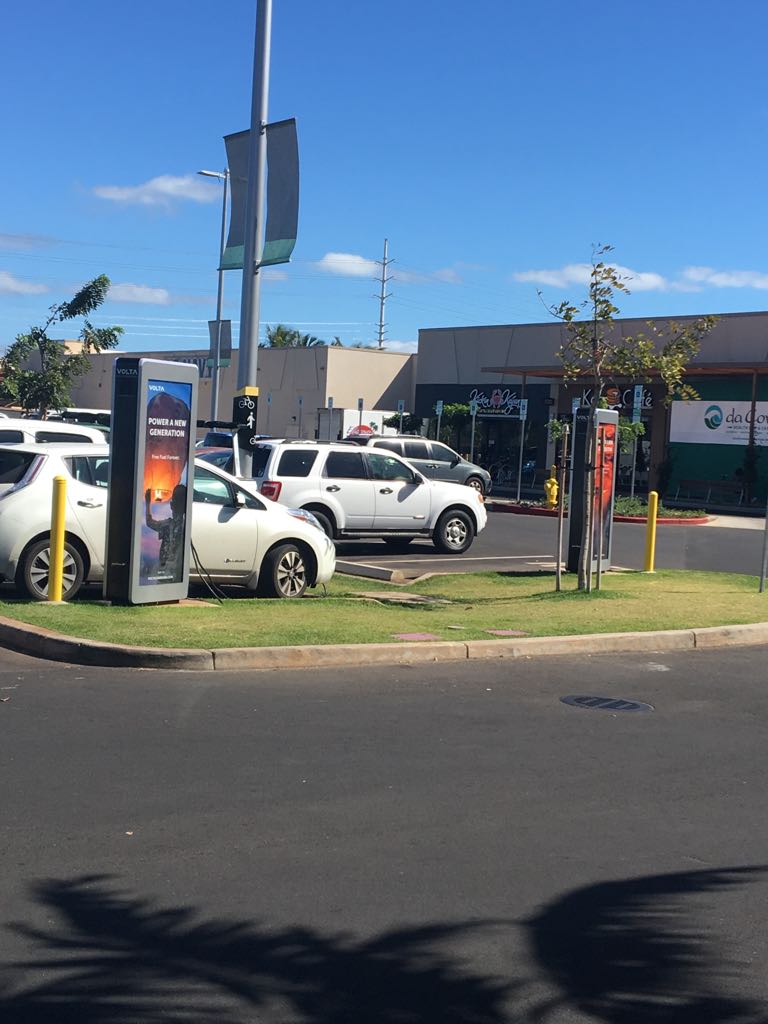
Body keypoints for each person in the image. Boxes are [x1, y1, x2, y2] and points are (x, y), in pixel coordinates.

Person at [144, 484, 187, 581]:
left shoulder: (172, 525)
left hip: (170, 570)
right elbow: (149, 522)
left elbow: (149, 522)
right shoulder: (172, 525)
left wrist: (148, 502)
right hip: (169, 570)